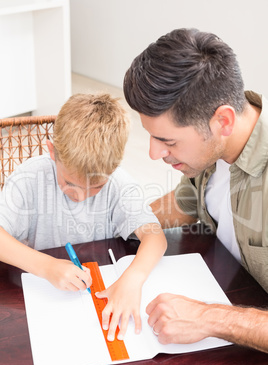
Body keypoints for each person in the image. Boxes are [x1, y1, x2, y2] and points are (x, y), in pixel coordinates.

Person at [123, 28, 268, 352]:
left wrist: (208, 319)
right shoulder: (213, 151)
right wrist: (109, 219)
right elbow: (184, 204)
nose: (153, 153)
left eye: (167, 141)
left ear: (223, 121)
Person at [0, 93, 167, 341]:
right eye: (70, 183)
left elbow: (156, 239)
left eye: (96, 186)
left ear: (114, 167)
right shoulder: (28, 179)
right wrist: (46, 267)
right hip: (39, 303)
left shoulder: (119, 183)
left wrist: (132, 280)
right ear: (52, 151)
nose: (81, 197)